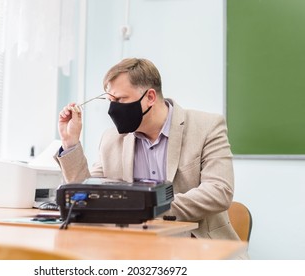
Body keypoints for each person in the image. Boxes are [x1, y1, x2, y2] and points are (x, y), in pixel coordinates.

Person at [55, 58, 247, 257]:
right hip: (135, 252)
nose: (113, 109)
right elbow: (86, 197)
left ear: (150, 97)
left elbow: (219, 191)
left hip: (198, 249)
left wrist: (148, 207)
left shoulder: (207, 127)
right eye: (110, 101)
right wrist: (70, 143)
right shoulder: (111, 139)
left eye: (120, 100)